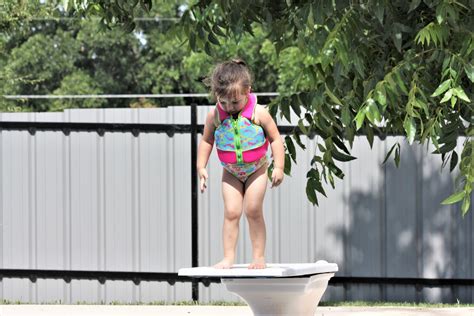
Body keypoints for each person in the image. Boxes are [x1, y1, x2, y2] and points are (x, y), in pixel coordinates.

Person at [197, 59, 285, 269]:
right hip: (231, 172)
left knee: (253, 210)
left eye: (235, 103)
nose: (229, 107)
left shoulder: (259, 112)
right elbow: (206, 140)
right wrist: (201, 167)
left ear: (248, 91)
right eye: (224, 102)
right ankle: (228, 257)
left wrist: (279, 166)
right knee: (231, 212)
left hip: (257, 169)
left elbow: (275, 139)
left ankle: (258, 257)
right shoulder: (215, 115)